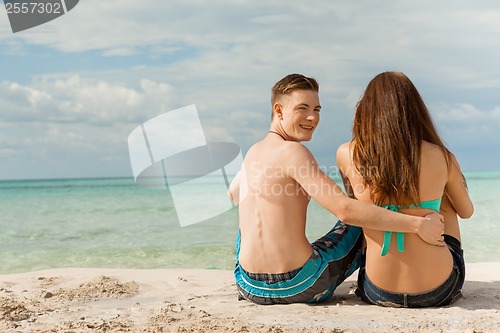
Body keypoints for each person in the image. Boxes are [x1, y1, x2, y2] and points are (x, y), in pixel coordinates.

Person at [228, 73, 446, 305]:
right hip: (299, 285)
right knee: (358, 215)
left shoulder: (254, 152)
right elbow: (344, 210)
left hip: (248, 285)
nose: (312, 117)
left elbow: (233, 193)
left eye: (317, 109)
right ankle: (385, 274)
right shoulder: (293, 152)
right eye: (303, 108)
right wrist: (418, 225)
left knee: (248, 221)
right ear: (279, 111)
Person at [336, 71, 474, 308]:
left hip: (378, 290)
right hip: (438, 290)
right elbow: (467, 211)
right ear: (414, 111)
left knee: (369, 210)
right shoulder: (441, 156)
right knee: (446, 205)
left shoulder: (347, 154)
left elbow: (358, 211)